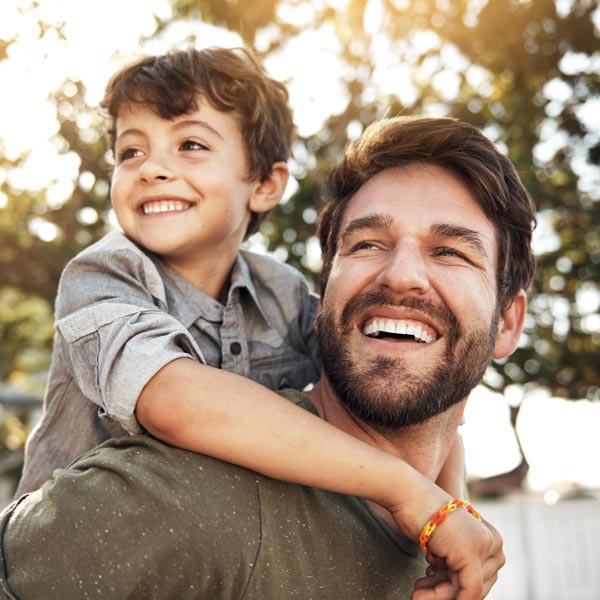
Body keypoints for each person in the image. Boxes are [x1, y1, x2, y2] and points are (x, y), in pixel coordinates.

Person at [0, 115, 536, 600]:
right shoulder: (189, 501)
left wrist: (447, 505)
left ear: (508, 323)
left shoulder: (440, 536)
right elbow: (171, 398)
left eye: (450, 251)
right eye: (367, 244)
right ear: (324, 301)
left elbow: (448, 433)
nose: (401, 274)